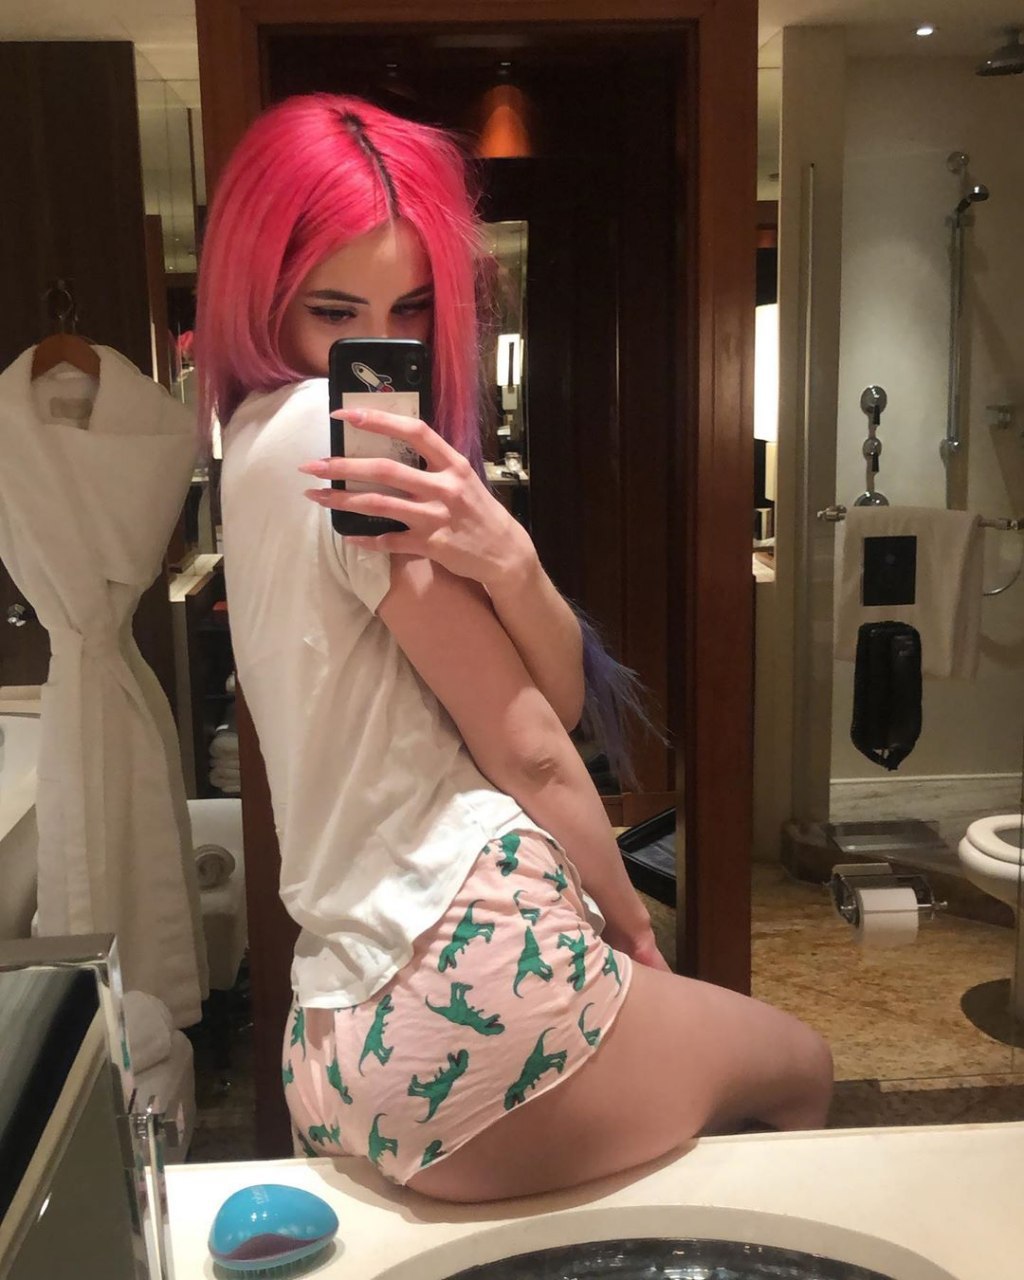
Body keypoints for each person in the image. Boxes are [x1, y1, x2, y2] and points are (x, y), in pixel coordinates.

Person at [195, 93, 832, 1204]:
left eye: (410, 309)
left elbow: (551, 698)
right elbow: (536, 745)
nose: (377, 348)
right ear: (262, 289)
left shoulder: (247, 439)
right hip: (471, 974)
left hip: (337, 1020)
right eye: (334, 310)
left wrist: (513, 562)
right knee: (798, 1068)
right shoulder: (349, 448)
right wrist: (637, 936)